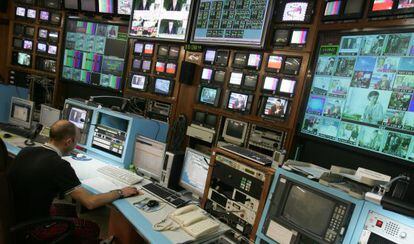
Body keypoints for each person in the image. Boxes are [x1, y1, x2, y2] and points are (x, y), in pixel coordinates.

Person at [8, 120, 140, 242]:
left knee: (69, 210)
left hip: (14, 216)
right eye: (76, 141)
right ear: (68, 142)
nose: (76, 145)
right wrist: (121, 192)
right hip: (33, 228)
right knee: (91, 227)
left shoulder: (26, 151)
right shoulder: (59, 165)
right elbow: (90, 203)